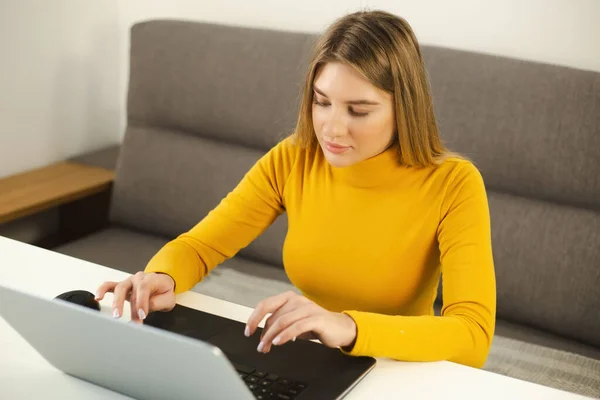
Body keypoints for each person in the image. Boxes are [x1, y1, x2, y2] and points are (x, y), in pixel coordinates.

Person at [95, 9, 496, 369]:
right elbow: (200, 247)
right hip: (305, 357)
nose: (332, 128)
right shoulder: (294, 159)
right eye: (322, 102)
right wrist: (161, 276)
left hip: (400, 367)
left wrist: (348, 327)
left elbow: (473, 336)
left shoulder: (453, 184)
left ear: (405, 107)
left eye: (358, 110)